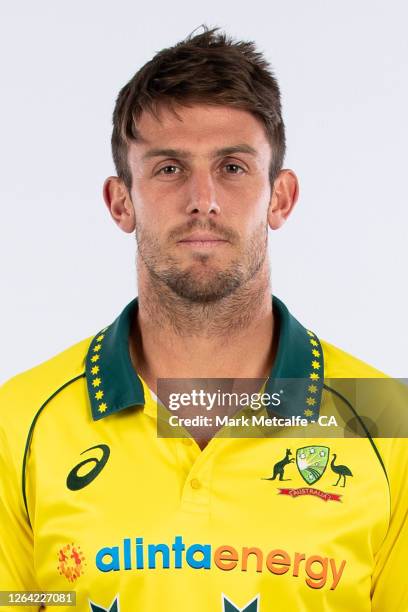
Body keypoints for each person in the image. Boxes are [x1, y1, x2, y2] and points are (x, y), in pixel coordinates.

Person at [0, 27, 406, 612]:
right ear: (121, 201)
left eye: (233, 167)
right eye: (168, 168)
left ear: (280, 198)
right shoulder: (24, 422)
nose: (203, 199)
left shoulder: (388, 424)